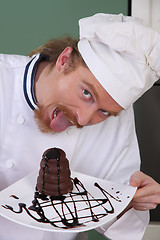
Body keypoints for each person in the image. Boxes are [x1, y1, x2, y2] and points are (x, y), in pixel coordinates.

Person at [0, 13, 160, 240]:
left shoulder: (116, 119)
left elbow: (113, 215)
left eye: (104, 112)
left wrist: (131, 200)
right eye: (86, 93)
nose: (83, 120)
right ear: (64, 60)